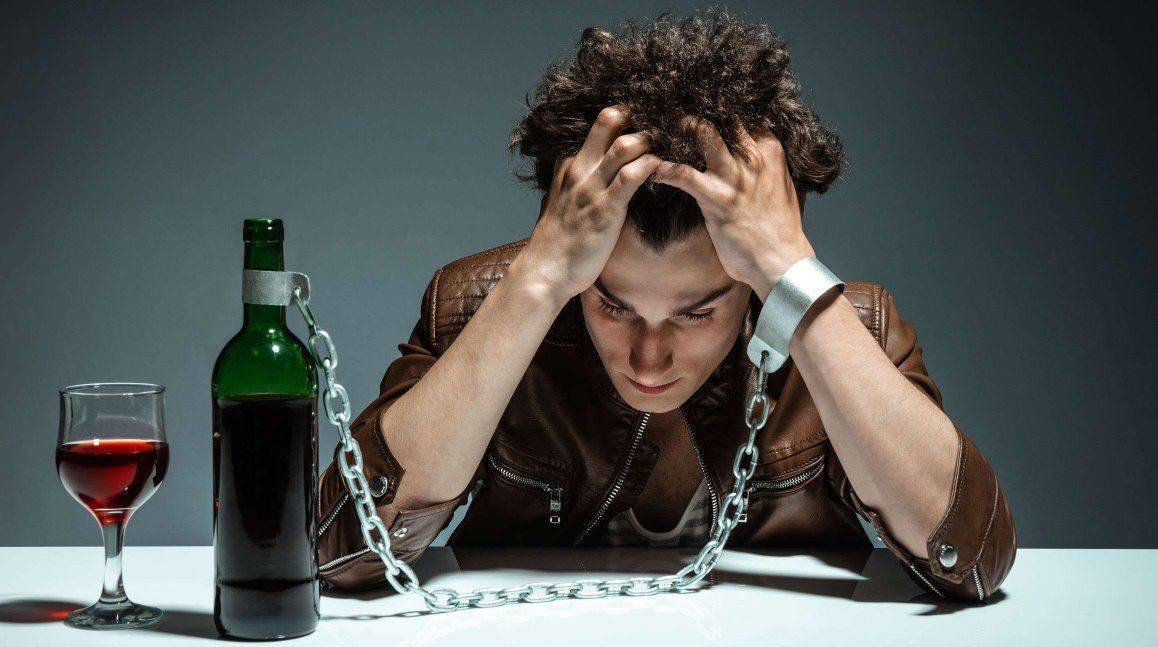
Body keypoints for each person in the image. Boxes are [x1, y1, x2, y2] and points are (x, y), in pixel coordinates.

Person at [316, 8, 1016, 602]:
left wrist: (791, 274)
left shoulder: (851, 328)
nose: (649, 360)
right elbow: (340, 550)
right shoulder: (479, 307)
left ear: (749, 277)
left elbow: (975, 563)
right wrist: (537, 281)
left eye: (696, 313)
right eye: (613, 306)